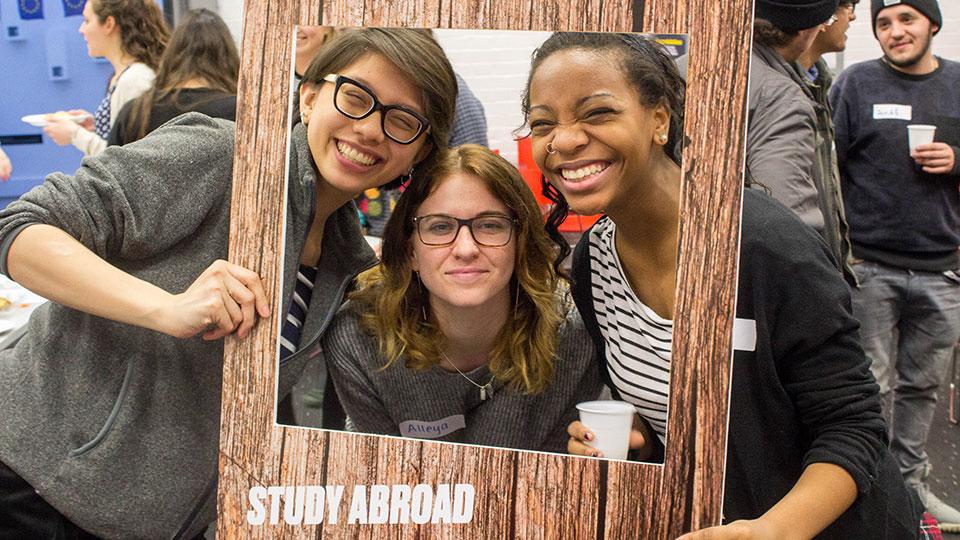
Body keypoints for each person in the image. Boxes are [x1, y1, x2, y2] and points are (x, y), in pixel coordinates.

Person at [0, 28, 456, 539]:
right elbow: (20, 229)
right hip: (32, 485)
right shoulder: (226, 157)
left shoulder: (345, 259)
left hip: (153, 522)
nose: (370, 129)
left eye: (403, 121)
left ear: (420, 152)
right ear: (309, 97)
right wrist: (165, 307)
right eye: (355, 97)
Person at [522, 31, 921, 538]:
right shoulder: (594, 262)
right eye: (543, 123)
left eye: (597, 113)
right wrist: (635, 433)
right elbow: (667, 405)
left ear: (659, 120)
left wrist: (772, 531)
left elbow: (853, 427)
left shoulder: (763, 246)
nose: (564, 140)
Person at [322, 145, 601, 451]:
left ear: (520, 242)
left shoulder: (575, 332)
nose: (466, 249)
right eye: (440, 227)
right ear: (410, 251)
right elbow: (381, 469)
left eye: (490, 225)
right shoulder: (359, 337)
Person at [830, 0, 960, 527]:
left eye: (907, 19)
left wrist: (958, 160)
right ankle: (867, 490)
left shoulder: (958, 83)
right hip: (869, 266)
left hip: (943, 268)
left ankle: (912, 490)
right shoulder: (855, 83)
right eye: (884, 23)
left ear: (933, 23)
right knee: (867, 388)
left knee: (922, 389)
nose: (895, 31)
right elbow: (827, 165)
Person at [747, 0, 854, 279]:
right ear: (807, 30)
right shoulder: (779, 97)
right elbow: (787, 231)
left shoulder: (686, 66)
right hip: (756, 282)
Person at [43, 0, 169, 156]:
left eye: (87, 21)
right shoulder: (123, 76)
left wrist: (75, 135)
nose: (81, 30)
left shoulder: (135, 80)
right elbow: (122, 142)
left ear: (109, 24)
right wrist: (96, 128)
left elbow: (130, 158)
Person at [795, 0, 860, 284]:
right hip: (802, 273)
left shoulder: (819, 82)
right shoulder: (777, 91)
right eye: (847, 5)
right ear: (823, 13)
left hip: (824, 270)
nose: (852, 17)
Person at [108, 8, 239, 146]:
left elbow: (109, 159)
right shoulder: (240, 112)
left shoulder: (135, 112)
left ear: (171, 55)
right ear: (228, 58)